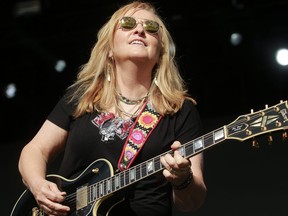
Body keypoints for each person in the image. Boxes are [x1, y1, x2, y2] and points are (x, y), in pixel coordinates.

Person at [17, 1, 207, 215]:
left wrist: (183, 179)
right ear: (108, 48)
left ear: (161, 51)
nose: (140, 29)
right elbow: (35, 150)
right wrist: (38, 185)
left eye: (151, 27)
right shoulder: (82, 98)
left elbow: (191, 202)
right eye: (127, 23)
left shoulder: (180, 110)